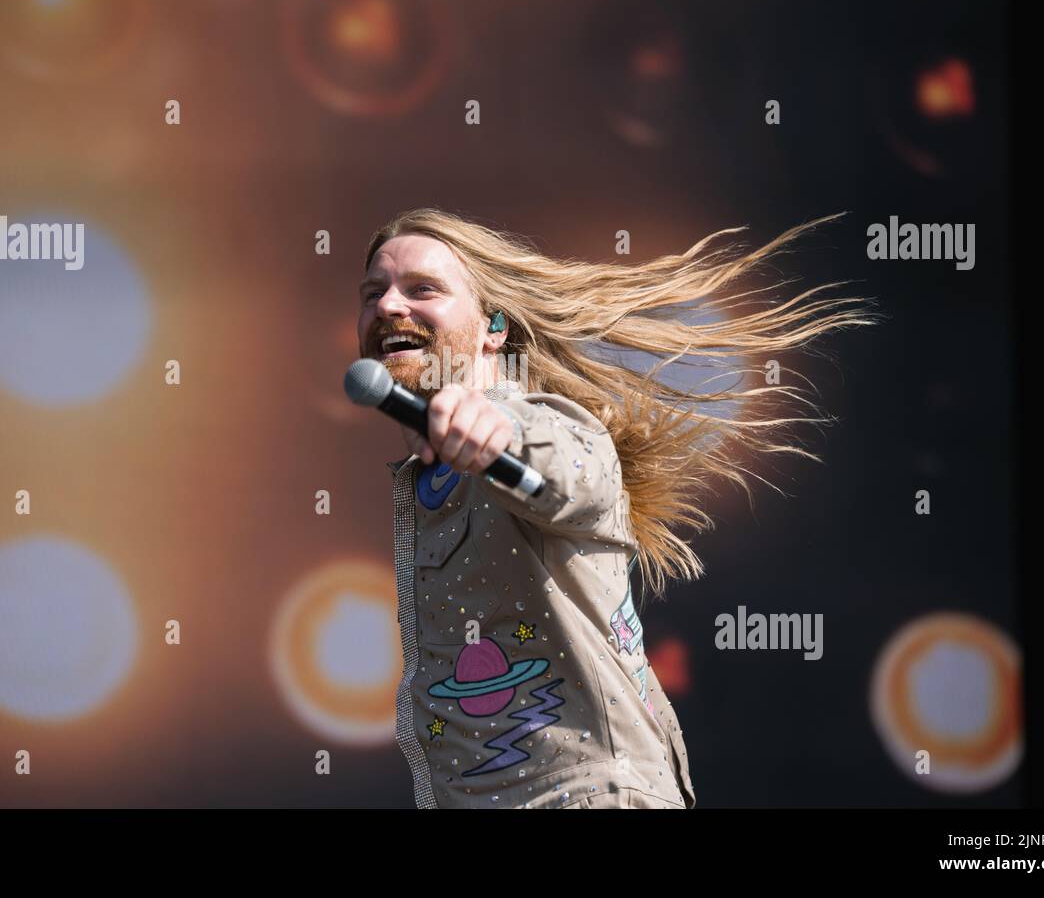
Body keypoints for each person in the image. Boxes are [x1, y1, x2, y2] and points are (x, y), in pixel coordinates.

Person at [356, 207, 878, 809]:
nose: (389, 306)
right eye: (373, 293)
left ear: (493, 326)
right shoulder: (425, 485)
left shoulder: (552, 426)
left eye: (423, 289)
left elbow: (569, 469)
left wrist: (498, 426)